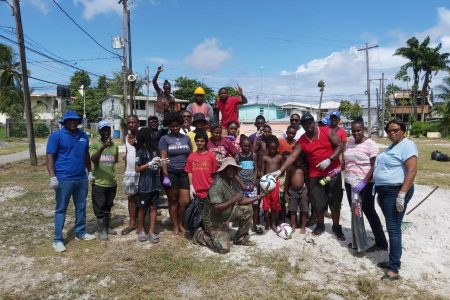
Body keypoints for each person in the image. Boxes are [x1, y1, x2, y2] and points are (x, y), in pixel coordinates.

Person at [268, 112, 345, 239]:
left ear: (314, 123)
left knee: (334, 202)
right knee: (318, 203)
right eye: (305, 124)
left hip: (332, 174)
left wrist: (330, 160)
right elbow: (292, 156)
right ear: (302, 126)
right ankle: (320, 225)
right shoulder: (302, 140)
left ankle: (336, 227)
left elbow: (340, 146)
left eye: (310, 122)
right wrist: (279, 171)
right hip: (315, 176)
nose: (308, 125)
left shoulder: (327, 131)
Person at [373, 119, 417, 281]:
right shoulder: (393, 146)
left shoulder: (408, 145)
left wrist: (402, 194)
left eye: (396, 130)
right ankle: (393, 259)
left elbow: (412, 171)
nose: (392, 133)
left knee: (393, 228)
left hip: (395, 191)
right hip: (384, 191)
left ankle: (394, 269)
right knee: (392, 225)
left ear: (403, 130)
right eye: (389, 130)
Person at [46, 110, 96, 253]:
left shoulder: (83, 136)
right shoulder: (57, 136)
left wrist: (90, 171)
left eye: (75, 120)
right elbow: (49, 156)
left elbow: (86, 154)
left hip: (81, 178)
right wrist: (52, 176)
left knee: (81, 207)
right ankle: (57, 240)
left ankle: (80, 232)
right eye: (70, 120)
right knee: (61, 208)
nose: (73, 122)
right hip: (63, 179)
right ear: (65, 122)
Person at [193, 157, 265, 253]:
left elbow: (241, 200)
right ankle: (201, 234)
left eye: (234, 168)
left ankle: (240, 238)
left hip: (227, 214)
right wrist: (234, 200)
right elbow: (216, 208)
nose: (231, 171)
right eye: (228, 168)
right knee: (224, 249)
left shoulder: (233, 182)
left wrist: (259, 196)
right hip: (214, 220)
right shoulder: (217, 186)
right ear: (223, 171)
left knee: (248, 209)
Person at [343, 117, 387, 252]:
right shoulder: (349, 143)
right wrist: (335, 170)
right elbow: (345, 162)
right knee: (355, 212)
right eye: (353, 131)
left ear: (364, 130)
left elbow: (374, 166)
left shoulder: (371, 144)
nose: (356, 133)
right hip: (350, 183)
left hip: (365, 184)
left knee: (368, 210)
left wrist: (364, 181)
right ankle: (358, 240)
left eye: (358, 130)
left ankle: (381, 242)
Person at [159, 112, 192, 235]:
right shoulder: (164, 139)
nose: (175, 128)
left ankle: (182, 223)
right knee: (173, 201)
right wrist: (165, 174)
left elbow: (190, 155)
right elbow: (163, 158)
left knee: (185, 201)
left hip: (184, 173)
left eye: (177, 126)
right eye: (172, 126)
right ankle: (175, 226)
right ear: (168, 126)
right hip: (171, 173)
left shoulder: (186, 138)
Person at [89, 120, 119, 241]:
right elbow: (94, 159)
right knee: (99, 206)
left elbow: (115, 161)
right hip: (99, 183)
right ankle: (101, 230)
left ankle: (107, 227)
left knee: (108, 205)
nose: (106, 132)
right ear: (99, 131)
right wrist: (103, 147)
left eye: (108, 129)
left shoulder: (115, 145)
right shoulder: (94, 143)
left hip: (112, 182)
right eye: (103, 129)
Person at [135, 127, 162, 243]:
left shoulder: (155, 149)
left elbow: (159, 164)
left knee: (154, 207)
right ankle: (141, 230)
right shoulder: (140, 151)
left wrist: (161, 163)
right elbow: (137, 168)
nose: (153, 136)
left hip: (155, 184)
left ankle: (151, 231)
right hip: (144, 185)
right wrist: (149, 164)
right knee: (142, 208)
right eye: (151, 134)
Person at [235, 135, 260, 234]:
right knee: (241, 204)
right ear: (240, 146)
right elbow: (235, 173)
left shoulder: (253, 155)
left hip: (251, 184)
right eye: (244, 146)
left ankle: (254, 224)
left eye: (248, 146)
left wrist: (254, 182)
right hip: (241, 185)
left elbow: (255, 169)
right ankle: (243, 224)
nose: (247, 148)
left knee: (255, 204)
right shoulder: (237, 157)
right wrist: (241, 184)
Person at [185, 131, 217, 202]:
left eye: (202, 141)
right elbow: (189, 172)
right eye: (197, 141)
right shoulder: (191, 156)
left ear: (206, 142)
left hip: (209, 190)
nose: (199, 143)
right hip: (196, 191)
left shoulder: (211, 156)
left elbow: (214, 173)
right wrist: (191, 186)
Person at [122, 115, 140, 235]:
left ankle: (142, 222)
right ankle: (132, 223)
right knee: (131, 198)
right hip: (129, 172)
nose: (131, 124)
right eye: (129, 123)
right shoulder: (126, 137)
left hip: (141, 170)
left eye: (133, 122)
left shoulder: (143, 135)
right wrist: (125, 170)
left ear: (138, 123)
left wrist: (137, 144)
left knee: (142, 197)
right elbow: (128, 153)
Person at [261, 135, 282, 231]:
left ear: (277, 147)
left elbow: (282, 170)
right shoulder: (265, 158)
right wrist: (262, 182)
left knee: (274, 203)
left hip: (275, 183)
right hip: (265, 183)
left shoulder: (279, 157)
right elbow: (262, 171)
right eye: (271, 148)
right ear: (268, 148)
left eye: (274, 148)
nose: (272, 150)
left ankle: (273, 222)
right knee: (266, 205)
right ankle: (267, 222)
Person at [285, 157, 308, 234]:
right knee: (292, 210)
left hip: (303, 190)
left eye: (300, 159)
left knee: (304, 209)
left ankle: (303, 227)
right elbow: (287, 181)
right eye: (297, 159)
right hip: (292, 191)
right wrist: (285, 193)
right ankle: (293, 226)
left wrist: (309, 193)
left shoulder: (303, 169)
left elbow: (307, 181)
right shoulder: (290, 168)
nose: (299, 161)